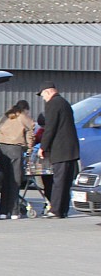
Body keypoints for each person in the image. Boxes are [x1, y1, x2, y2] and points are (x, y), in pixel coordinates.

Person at [36, 81, 79, 218]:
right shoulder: (65, 103)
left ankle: (55, 210)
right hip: (71, 149)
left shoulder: (53, 104)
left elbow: (50, 128)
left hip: (61, 149)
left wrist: (43, 147)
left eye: (43, 95)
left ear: (48, 92)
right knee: (66, 181)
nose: (43, 98)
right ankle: (63, 210)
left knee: (59, 181)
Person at [0, 100, 35, 219]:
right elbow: (31, 128)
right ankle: (14, 211)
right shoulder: (23, 116)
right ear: (25, 109)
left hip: (2, 148)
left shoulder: (5, 116)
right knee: (15, 180)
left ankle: (3, 211)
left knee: (5, 180)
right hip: (16, 148)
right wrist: (30, 147)